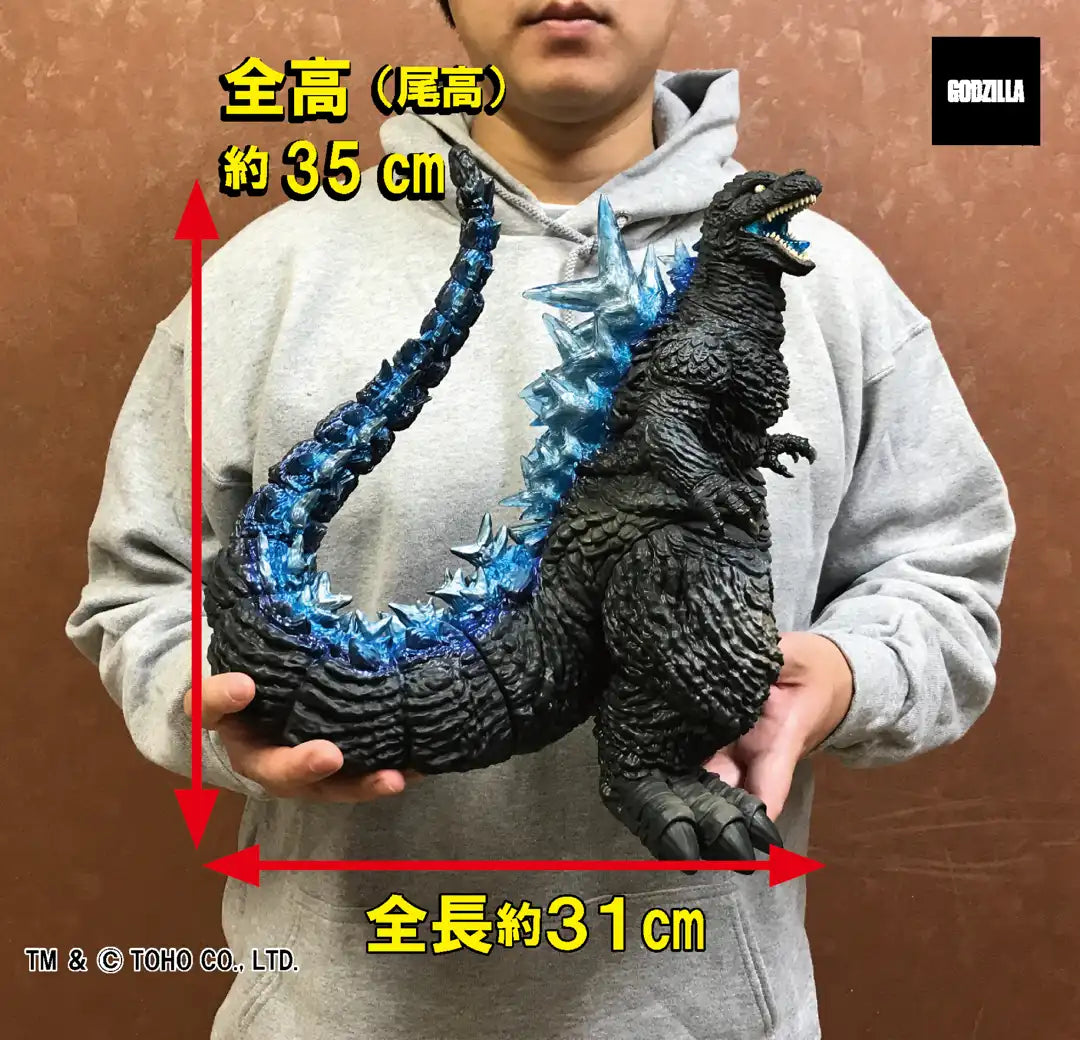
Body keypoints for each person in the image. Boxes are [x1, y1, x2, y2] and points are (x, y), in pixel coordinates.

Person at [66, 0, 1015, 1036]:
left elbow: (945, 579)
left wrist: (840, 674)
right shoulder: (270, 271)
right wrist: (215, 715)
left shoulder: (841, 288)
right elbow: (144, 590)